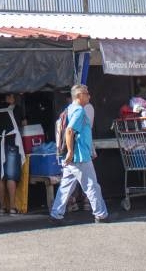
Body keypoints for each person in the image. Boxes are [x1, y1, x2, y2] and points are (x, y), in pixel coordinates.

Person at [50, 85, 110, 224]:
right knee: (92, 186)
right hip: (79, 156)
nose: (89, 96)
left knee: (65, 186)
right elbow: (70, 131)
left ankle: (56, 214)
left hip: (72, 156)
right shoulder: (78, 111)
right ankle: (101, 214)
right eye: (86, 93)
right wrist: (71, 151)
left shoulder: (69, 109)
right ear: (78, 96)